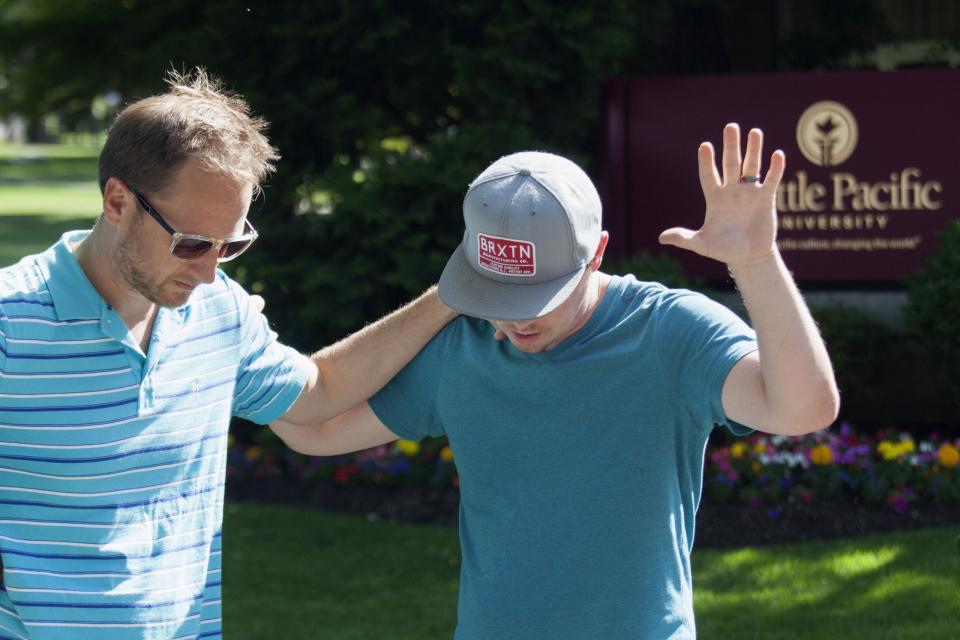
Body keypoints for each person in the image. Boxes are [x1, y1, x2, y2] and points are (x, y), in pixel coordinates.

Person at [271, 124, 840, 639]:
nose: (518, 319)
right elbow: (312, 427)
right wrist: (445, 301)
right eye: (497, 294)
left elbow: (803, 410)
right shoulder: (459, 345)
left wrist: (757, 261)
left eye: (539, 296)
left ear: (597, 255)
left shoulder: (669, 332)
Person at [0, 69, 455, 640]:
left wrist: (448, 299)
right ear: (118, 201)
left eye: (232, 244)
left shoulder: (219, 312)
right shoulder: (10, 324)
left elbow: (318, 395)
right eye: (191, 243)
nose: (210, 270)